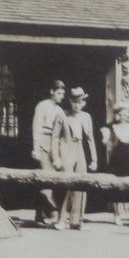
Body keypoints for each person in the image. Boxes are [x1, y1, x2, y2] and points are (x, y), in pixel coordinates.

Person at [49, 86, 98, 230]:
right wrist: (56, 157)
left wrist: (94, 159)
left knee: (81, 184)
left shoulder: (86, 117)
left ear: (84, 103)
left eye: (80, 102)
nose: (77, 105)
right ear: (70, 101)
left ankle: (76, 220)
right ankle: (61, 219)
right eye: (74, 101)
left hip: (79, 150)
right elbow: (55, 138)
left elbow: (90, 139)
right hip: (66, 150)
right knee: (66, 185)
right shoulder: (62, 115)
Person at [30, 80, 66, 225]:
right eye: (58, 93)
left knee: (54, 180)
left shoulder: (60, 110)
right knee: (45, 178)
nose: (61, 96)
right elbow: (36, 127)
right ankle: (52, 213)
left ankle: (40, 214)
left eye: (63, 94)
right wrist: (36, 148)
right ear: (51, 92)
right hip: (43, 142)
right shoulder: (42, 106)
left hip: (55, 145)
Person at [101, 103, 129, 226]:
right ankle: (117, 216)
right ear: (117, 114)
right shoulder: (111, 127)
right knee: (116, 188)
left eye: (126, 114)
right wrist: (106, 137)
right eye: (121, 113)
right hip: (116, 160)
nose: (124, 116)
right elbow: (106, 145)